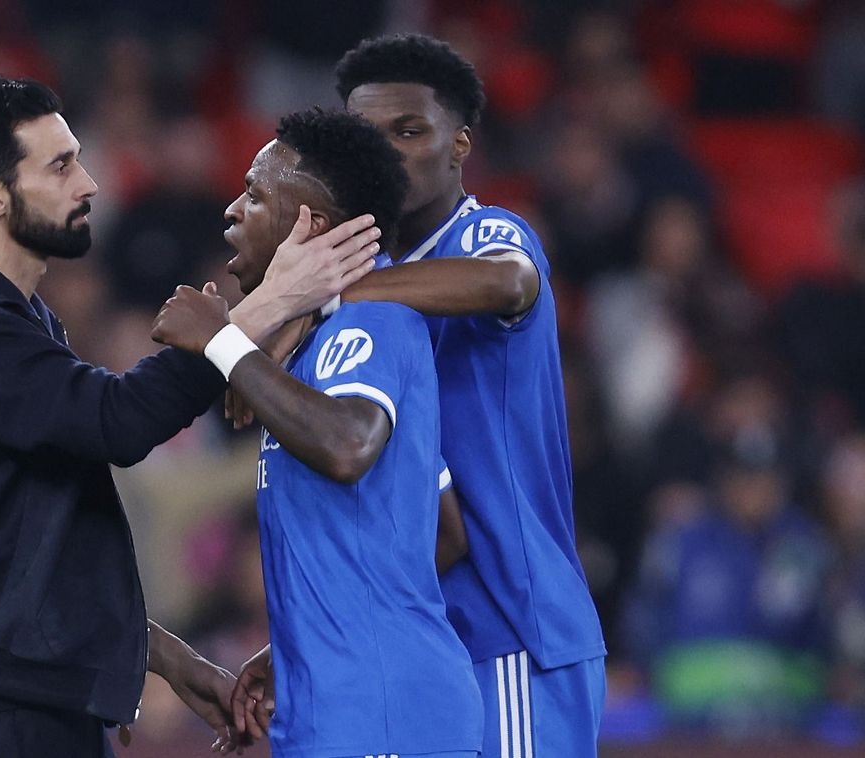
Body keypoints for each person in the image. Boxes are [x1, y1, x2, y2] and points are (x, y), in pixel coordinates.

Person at [0, 76, 376, 757]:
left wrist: (162, 662)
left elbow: (32, 541)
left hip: (30, 693)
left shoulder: (10, 320)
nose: (89, 183)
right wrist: (262, 308)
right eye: (61, 165)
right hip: (1, 706)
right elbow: (116, 422)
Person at [227, 35, 608, 757]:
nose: (391, 153)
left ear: (458, 143)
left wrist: (309, 299)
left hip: (512, 624)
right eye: (370, 137)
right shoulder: (364, 293)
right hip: (426, 641)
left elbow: (508, 283)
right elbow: (428, 524)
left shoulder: (485, 232)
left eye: (410, 131)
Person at [152, 107, 482, 758]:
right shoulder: (309, 360)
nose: (231, 211)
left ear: (312, 226)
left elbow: (347, 446)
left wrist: (223, 343)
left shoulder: (372, 318)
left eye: (253, 194)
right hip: (340, 703)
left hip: (383, 709)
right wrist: (304, 633)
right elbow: (442, 531)